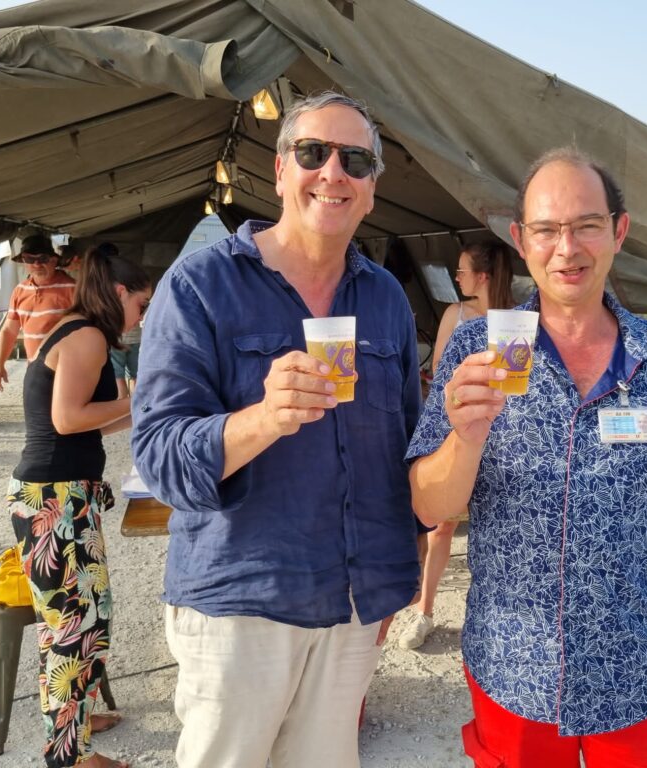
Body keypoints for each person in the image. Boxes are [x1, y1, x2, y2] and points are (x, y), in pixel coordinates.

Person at [407, 147, 647, 767]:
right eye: (546, 229)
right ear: (521, 239)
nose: (566, 248)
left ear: (618, 232)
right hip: (516, 671)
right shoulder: (477, 349)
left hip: (642, 673)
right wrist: (464, 436)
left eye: (586, 225)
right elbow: (432, 505)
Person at [130, 91, 422, 768]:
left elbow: (400, 448)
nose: (334, 172)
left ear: (373, 189)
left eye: (356, 160)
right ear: (281, 169)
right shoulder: (200, 285)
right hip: (242, 602)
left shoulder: (383, 298)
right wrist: (261, 420)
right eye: (313, 153)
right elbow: (160, 458)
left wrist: (391, 583)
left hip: (352, 603)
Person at [8, 246, 151, 768]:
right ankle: (72, 757)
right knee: (76, 629)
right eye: (140, 303)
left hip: (57, 495)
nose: (142, 315)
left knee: (77, 623)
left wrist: (139, 410)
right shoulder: (88, 335)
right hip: (55, 500)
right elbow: (68, 419)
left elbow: (89, 419)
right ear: (118, 294)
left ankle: (77, 722)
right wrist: (140, 399)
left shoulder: (77, 327)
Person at [398, 240, 514, 650]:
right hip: (460, 427)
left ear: (483, 276)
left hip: (507, 436)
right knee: (441, 524)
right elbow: (445, 375)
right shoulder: (457, 314)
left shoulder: (519, 321)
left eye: (463, 272)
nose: (457, 278)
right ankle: (425, 610)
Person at [0, 234, 76, 391]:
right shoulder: (19, 290)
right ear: (24, 262)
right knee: (35, 416)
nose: (36, 264)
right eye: (30, 259)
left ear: (53, 260)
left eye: (42, 258)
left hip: (67, 371)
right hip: (34, 369)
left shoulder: (73, 289)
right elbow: (9, 330)